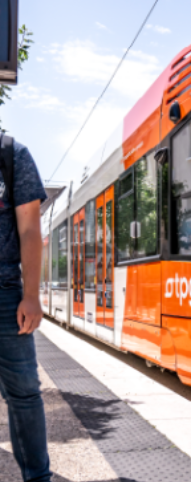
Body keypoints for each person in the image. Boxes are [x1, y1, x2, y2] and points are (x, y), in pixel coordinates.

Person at [0, 134, 51, 481]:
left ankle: (37, 478)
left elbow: (30, 227)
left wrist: (31, 295)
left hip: (4, 295)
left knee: (24, 394)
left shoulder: (11, 154)